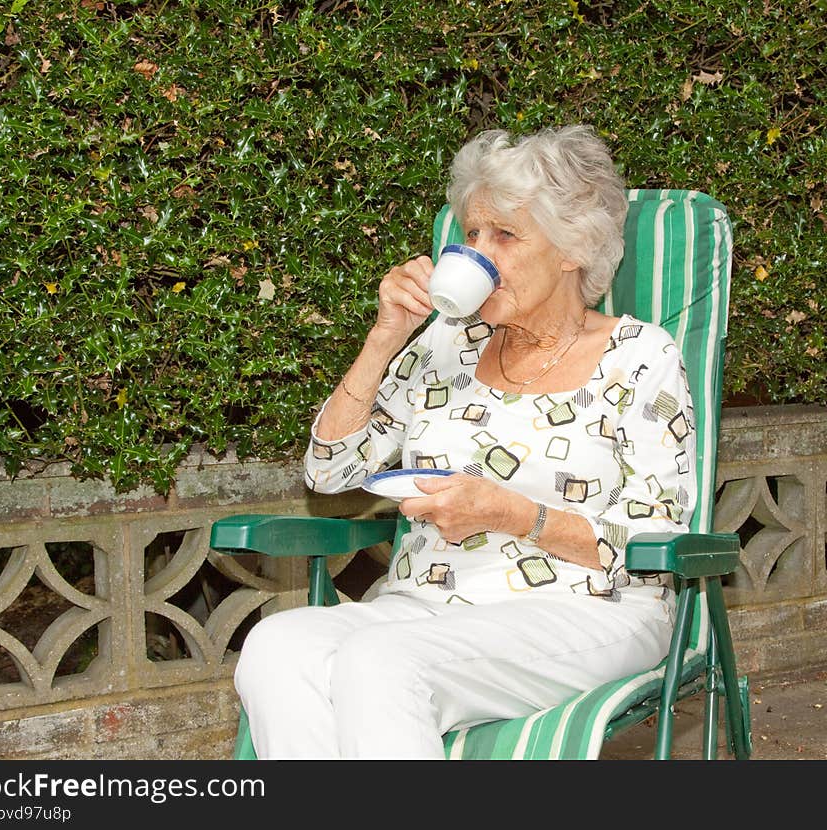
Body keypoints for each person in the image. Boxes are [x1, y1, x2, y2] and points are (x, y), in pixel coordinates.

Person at [235, 124, 697, 759]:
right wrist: (384, 337)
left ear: (572, 249)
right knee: (277, 648)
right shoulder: (448, 343)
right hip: (430, 602)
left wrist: (513, 514)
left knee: (382, 662)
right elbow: (329, 471)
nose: (478, 253)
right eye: (471, 234)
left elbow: (657, 542)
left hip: (588, 606)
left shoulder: (639, 356)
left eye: (504, 236)